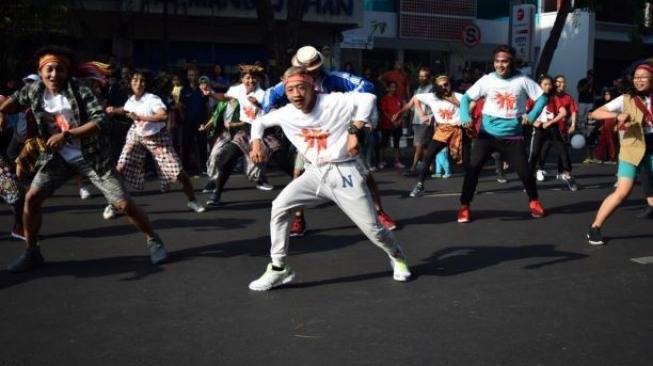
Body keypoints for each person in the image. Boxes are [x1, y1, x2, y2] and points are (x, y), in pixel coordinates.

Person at [0, 46, 168, 272]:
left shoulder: (80, 89)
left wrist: (67, 134)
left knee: (124, 204)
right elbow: (12, 102)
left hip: (92, 156)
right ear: (40, 71)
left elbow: (101, 121)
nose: (53, 75)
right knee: (32, 198)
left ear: (67, 71)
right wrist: (2, 111)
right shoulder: (33, 90)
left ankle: (153, 239)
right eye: (49, 69)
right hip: (56, 158)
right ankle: (32, 251)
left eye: (59, 69)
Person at [247, 66, 411, 291]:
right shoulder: (286, 112)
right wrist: (256, 143)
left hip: (344, 171)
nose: (296, 94)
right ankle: (278, 268)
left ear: (312, 87)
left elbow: (369, 97)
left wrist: (354, 130)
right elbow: (260, 122)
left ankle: (397, 256)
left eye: (301, 88)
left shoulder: (334, 101)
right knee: (280, 206)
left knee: (373, 228)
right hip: (314, 173)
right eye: (290, 89)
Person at [263, 45, 397, 234]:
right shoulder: (293, 81)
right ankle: (299, 219)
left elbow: (367, 87)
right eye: (307, 69)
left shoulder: (334, 78)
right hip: (309, 135)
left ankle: (379, 212)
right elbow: (269, 96)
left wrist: (349, 109)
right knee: (298, 175)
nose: (312, 71)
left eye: (314, 67)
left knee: (364, 174)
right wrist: (274, 112)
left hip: (339, 134)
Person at [458, 45, 548, 223]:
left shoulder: (522, 80)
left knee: (525, 172)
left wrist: (531, 115)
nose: (500, 65)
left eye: (504, 61)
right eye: (497, 61)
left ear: (511, 62)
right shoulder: (487, 80)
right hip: (486, 136)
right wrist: (464, 116)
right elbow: (466, 98)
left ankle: (534, 201)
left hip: (512, 138)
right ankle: (464, 206)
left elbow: (543, 97)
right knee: (473, 170)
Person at [104, 69, 205, 217]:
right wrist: (114, 110)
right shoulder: (131, 100)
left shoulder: (152, 99)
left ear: (147, 84)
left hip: (157, 138)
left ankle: (192, 200)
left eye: (142, 81)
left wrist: (141, 117)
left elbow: (162, 115)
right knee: (120, 168)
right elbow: (126, 110)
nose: (138, 84)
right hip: (137, 135)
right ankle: (113, 204)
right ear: (130, 83)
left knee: (180, 173)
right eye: (135, 80)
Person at [586, 63, 653, 245]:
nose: (639, 80)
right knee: (623, 191)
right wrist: (616, 116)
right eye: (636, 77)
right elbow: (595, 113)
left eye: (643, 76)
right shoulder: (625, 99)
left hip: (651, 148)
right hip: (632, 149)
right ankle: (595, 227)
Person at [393, 75, 470, 197]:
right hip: (442, 130)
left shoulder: (460, 97)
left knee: (465, 162)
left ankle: (471, 183)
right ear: (437, 87)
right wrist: (404, 112)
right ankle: (420, 185)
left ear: (450, 84)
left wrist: (460, 111)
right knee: (428, 156)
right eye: (441, 86)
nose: (444, 87)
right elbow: (415, 98)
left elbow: (470, 106)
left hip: (457, 130)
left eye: (446, 84)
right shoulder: (432, 97)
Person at [527, 74, 577, 192]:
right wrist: (534, 122)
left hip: (552, 128)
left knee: (563, 152)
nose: (548, 86)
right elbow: (524, 113)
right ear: (539, 85)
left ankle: (569, 176)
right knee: (534, 154)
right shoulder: (533, 98)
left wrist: (550, 123)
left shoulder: (554, 97)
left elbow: (563, 112)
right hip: (539, 129)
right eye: (545, 84)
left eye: (550, 84)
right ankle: (529, 181)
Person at [405, 67, 434, 176]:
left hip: (425, 120)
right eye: (420, 76)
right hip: (417, 120)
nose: (421, 78)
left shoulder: (431, 88)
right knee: (425, 146)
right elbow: (413, 105)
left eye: (423, 76)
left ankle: (413, 167)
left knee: (419, 145)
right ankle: (430, 167)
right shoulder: (418, 89)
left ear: (428, 77)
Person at [378, 81, 404, 169]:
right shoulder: (384, 99)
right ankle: (381, 161)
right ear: (388, 88)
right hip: (386, 125)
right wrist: (392, 121)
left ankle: (397, 161)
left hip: (397, 125)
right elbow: (384, 111)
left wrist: (399, 121)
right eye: (391, 87)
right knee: (384, 143)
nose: (393, 89)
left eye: (395, 87)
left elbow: (402, 111)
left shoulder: (398, 98)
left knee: (396, 143)